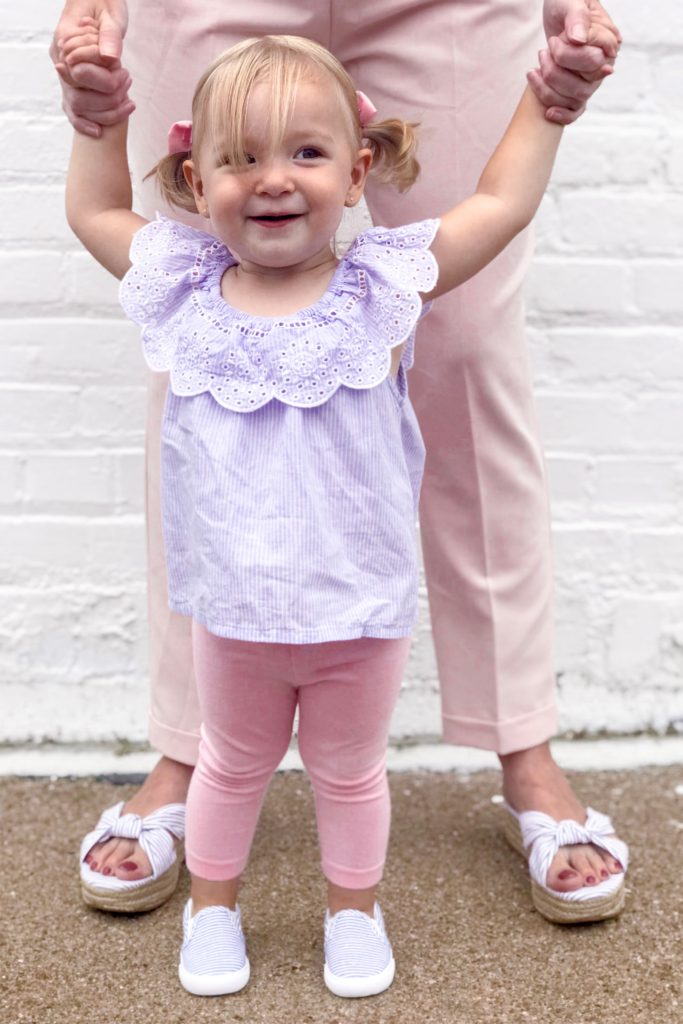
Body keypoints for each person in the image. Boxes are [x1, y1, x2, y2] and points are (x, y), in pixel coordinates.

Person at [63, 23, 628, 994]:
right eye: (237, 159)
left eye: (306, 152)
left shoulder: (381, 289)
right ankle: (211, 909)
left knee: (350, 773)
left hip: (357, 612)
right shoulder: (188, 291)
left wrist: (548, 105)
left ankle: (353, 915)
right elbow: (94, 210)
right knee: (232, 767)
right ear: (197, 187)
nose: (272, 179)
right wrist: (97, 120)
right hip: (232, 615)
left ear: (359, 171)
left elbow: (495, 201)